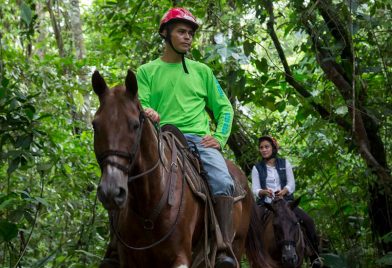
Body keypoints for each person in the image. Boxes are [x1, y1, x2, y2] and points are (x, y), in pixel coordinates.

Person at [136, 7, 237, 268]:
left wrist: (220, 137)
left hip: (198, 139)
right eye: (181, 32)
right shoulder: (146, 71)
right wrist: (146, 110)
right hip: (161, 138)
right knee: (124, 180)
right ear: (165, 34)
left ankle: (224, 246)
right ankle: (115, 250)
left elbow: (224, 108)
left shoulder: (202, 71)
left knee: (224, 181)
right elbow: (140, 103)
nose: (188, 37)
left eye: (190, 33)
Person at [251, 135, 322, 268]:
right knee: (251, 225)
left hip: (285, 202)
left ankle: (315, 257)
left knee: (308, 221)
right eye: (261, 148)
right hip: (266, 204)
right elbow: (255, 189)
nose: (264, 150)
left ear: (273, 148)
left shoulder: (285, 163)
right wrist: (263, 192)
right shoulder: (257, 168)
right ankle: (253, 256)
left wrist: (284, 191)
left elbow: (291, 184)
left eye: (266, 147)